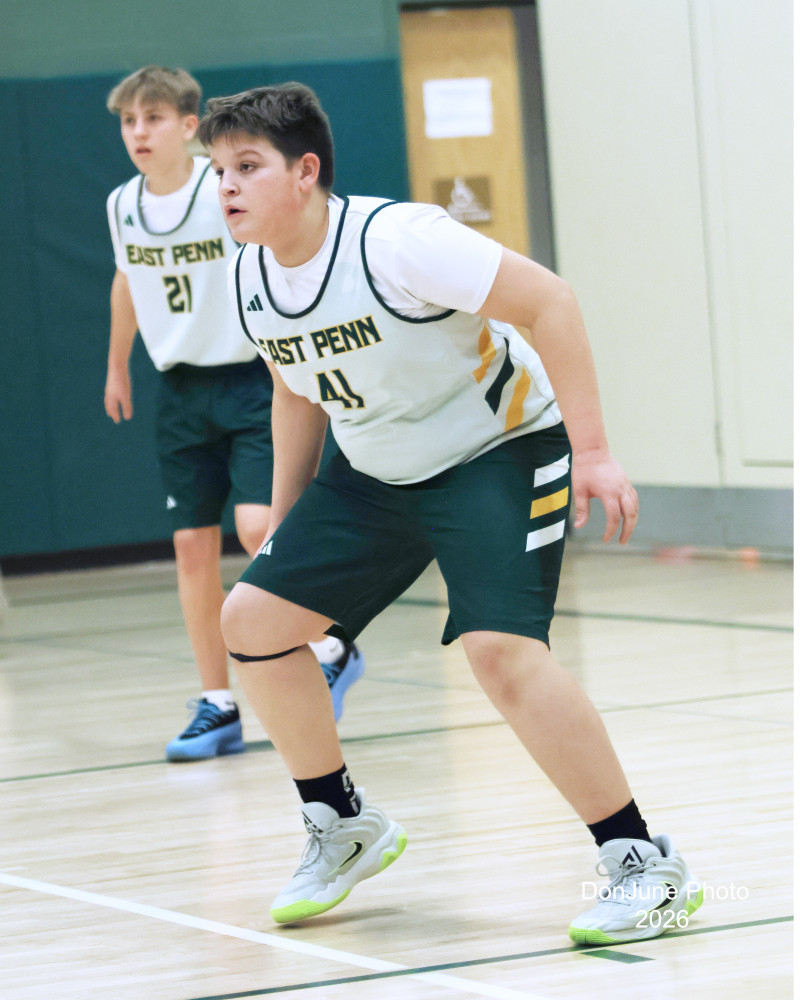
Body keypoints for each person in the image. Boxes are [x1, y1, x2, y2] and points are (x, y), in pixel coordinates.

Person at [198, 81, 703, 944]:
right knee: (251, 621)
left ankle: (641, 863)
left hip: (496, 452)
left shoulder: (396, 241)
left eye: (247, 166)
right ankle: (342, 825)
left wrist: (595, 452)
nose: (227, 187)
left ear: (306, 171)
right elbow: (295, 391)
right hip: (375, 469)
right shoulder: (248, 272)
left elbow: (550, 301)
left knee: (500, 654)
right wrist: (283, 517)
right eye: (218, 171)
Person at [103, 67, 364, 763]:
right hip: (179, 389)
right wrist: (117, 363)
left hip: (250, 378)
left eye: (153, 117)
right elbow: (128, 279)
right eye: (128, 121)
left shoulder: (220, 190)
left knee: (256, 526)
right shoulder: (123, 204)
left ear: (189, 126)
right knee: (191, 546)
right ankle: (217, 703)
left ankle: (330, 644)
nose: (138, 132)